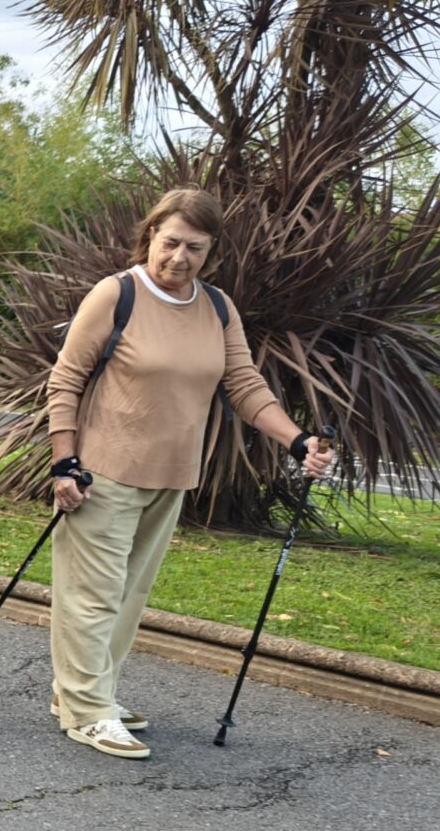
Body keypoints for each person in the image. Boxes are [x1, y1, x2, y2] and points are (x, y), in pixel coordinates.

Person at [44, 186, 336, 759]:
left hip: (173, 473)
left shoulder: (218, 307)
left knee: (131, 594)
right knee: (93, 594)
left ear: (212, 251)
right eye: (171, 242)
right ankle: (88, 710)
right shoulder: (117, 294)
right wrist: (64, 461)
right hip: (102, 471)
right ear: (150, 234)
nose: (179, 257)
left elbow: (245, 386)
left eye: (194, 248)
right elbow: (66, 380)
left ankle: (81, 691)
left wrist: (297, 439)